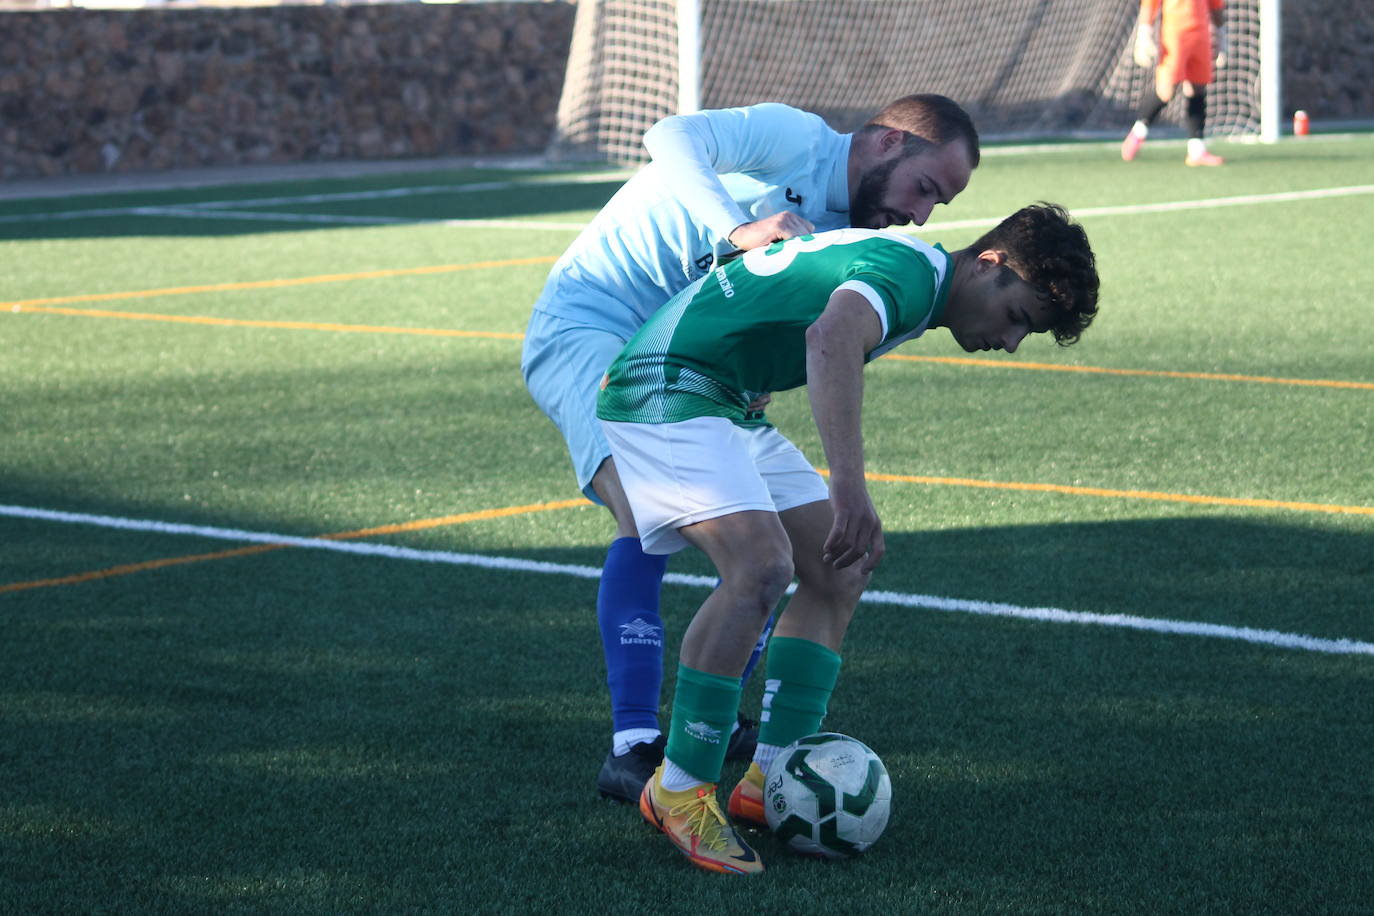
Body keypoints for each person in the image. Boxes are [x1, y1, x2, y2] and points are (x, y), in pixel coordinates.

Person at [596, 203, 1101, 874]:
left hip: (722, 396)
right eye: (1017, 318)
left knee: (842, 566)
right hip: (664, 387)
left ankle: (770, 776)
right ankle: (680, 789)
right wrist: (850, 488)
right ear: (989, 264)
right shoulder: (912, 276)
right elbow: (831, 336)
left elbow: (769, 287)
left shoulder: (913, 274)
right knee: (760, 566)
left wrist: (744, 355)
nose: (1010, 342)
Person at [521, 95, 981, 804]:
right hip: (593, 321)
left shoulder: (852, 235)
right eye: (924, 188)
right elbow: (668, 135)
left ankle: (716, 715)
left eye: (937, 205)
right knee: (643, 513)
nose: (920, 215)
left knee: (772, 536)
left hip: (691, 365)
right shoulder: (797, 140)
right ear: (889, 142)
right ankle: (633, 745)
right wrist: (737, 228)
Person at [1121, 0, 1228, 166]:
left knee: (1197, 88)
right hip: (1174, 35)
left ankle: (1197, 150)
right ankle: (1138, 131)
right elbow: (1150, 4)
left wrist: (1221, 35)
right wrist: (1144, 33)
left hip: (1200, 33)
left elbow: (1215, 5)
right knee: (1166, 91)